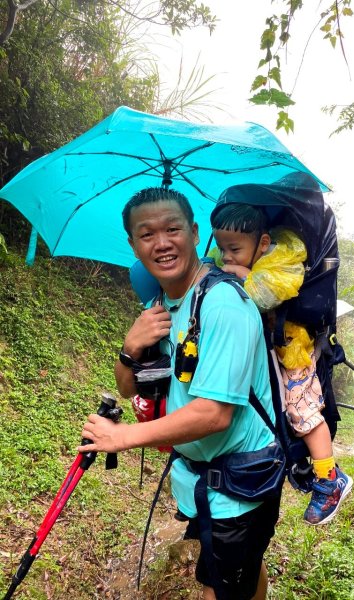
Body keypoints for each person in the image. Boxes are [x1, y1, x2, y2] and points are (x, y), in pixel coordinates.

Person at [78, 187, 281, 600]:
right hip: (205, 479)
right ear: (133, 244)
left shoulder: (223, 304)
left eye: (172, 228)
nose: (162, 242)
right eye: (147, 234)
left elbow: (214, 414)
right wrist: (130, 348)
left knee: (216, 587)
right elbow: (130, 385)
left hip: (240, 484)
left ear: (192, 231)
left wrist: (121, 438)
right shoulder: (160, 304)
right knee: (242, 567)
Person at [210, 202, 353, 525]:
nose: (227, 256)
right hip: (266, 350)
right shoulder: (236, 254)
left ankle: (331, 479)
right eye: (221, 248)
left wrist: (244, 276)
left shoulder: (283, 257)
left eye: (234, 249)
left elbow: (268, 295)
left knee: (301, 411)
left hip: (293, 351)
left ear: (262, 242)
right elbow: (216, 268)